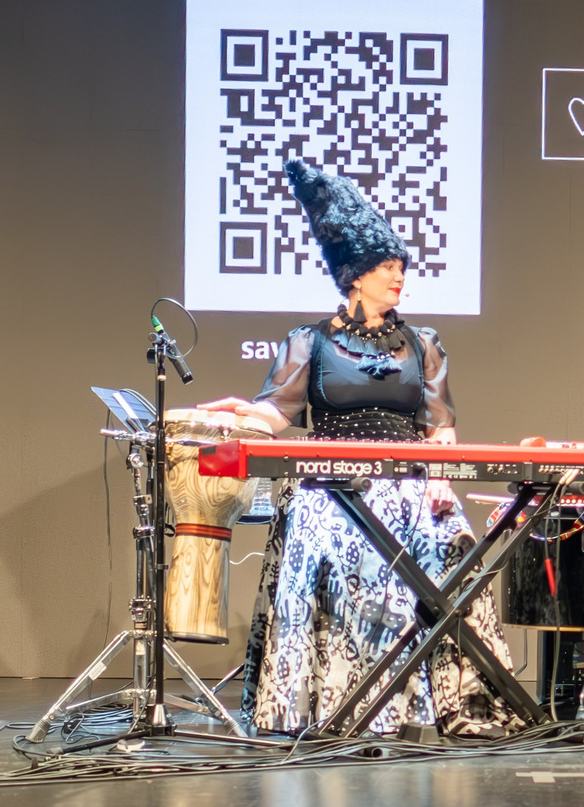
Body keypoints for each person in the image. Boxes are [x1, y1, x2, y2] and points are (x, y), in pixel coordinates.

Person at [195, 160, 520, 736]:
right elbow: (277, 412)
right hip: (333, 485)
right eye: (388, 268)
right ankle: (342, 707)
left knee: (457, 546)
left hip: (412, 482)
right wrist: (242, 413)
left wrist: (441, 484)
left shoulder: (424, 344)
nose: (399, 278)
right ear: (356, 276)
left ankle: (443, 704)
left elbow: (439, 428)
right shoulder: (310, 340)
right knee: (340, 544)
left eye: (401, 268)